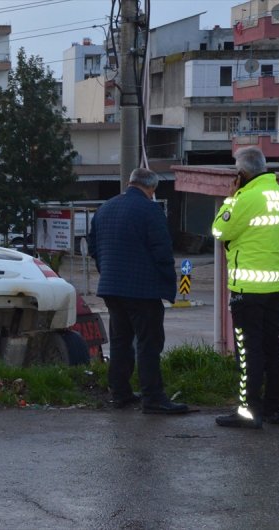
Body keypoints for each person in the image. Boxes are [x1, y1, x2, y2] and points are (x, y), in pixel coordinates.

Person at [211, 146, 279, 429]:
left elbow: (219, 231)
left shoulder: (243, 198)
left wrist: (229, 200)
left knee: (247, 350)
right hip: (275, 289)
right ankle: (275, 409)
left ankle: (249, 411)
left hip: (246, 290)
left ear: (241, 173)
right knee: (271, 346)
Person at [88, 168, 188, 414]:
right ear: (151, 189)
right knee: (148, 343)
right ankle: (153, 398)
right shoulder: (151, 211)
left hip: (112, 288)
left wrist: (107, 272)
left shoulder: (105, 209)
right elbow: (162, 251)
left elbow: (93, 248)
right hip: (143, 290)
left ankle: (120, 393)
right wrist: (167, 281)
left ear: (130, 183)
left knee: (121, 342)